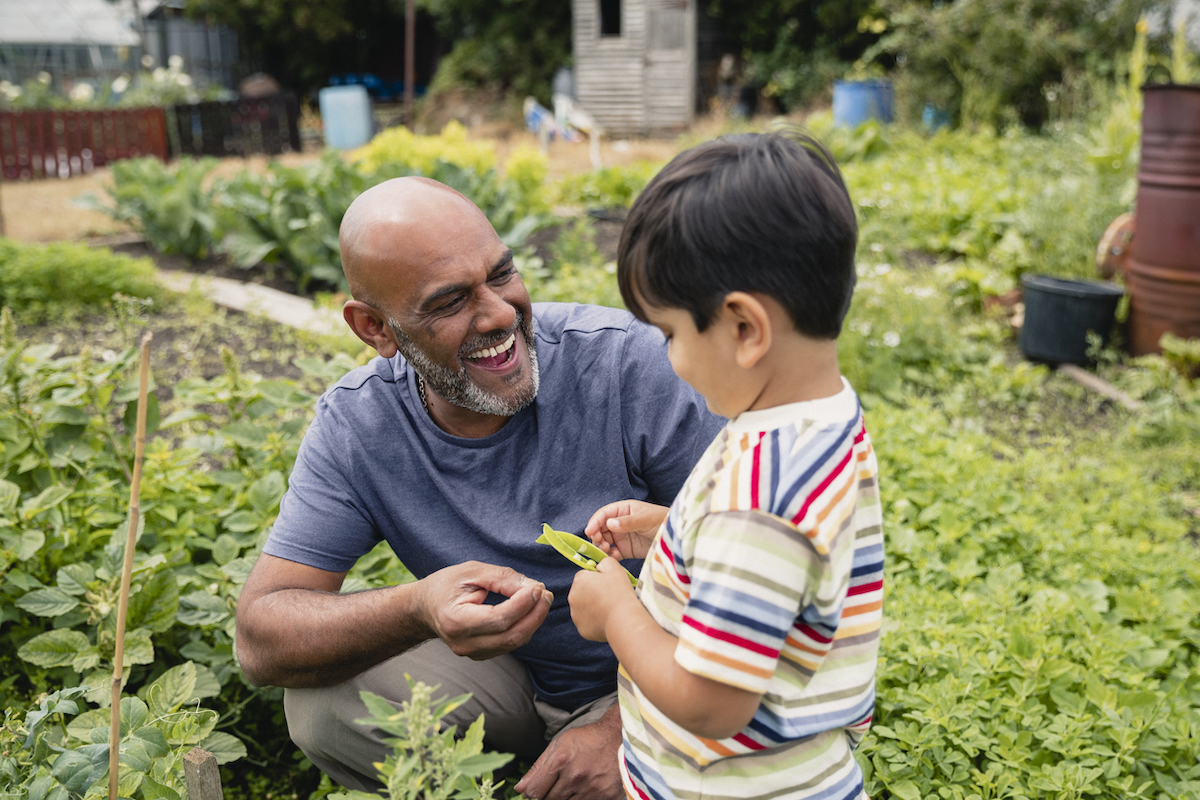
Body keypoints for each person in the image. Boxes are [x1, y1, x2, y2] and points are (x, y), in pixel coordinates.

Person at [234, 176, 723, 797]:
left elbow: (763, 582)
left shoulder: (631, 365)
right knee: (324, 703)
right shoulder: (360, 425)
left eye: (501, 274)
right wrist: (417, 609)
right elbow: (261, 636)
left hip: (678, 677)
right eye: (449, 302)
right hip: (519, 682)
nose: (498, 313)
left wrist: (624, 730)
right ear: (375, 329)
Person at [568, 131, 885, 800]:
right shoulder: (818, 419)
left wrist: (616, 611)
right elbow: (793, 563)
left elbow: (711, 703)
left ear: (744, 328)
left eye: (670, 335)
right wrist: (676, 532)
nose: (669, 359)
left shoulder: (759, 493)